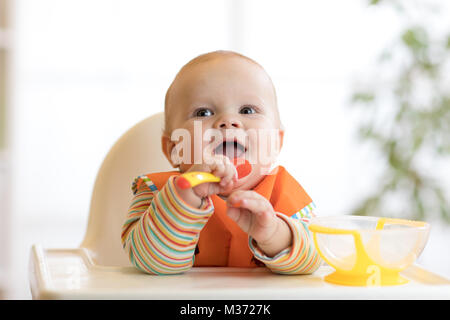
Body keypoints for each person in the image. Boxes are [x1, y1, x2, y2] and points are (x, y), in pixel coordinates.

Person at [121, 50, 322, 275]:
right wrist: (183, 199)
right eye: (203, 112)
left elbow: (315, 258)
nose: (228, 122)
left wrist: (274, 234)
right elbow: (149, 263)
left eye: (247, 110)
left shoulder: (285, 193)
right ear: (175, 149)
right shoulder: (153, 193)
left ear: (276, 142)